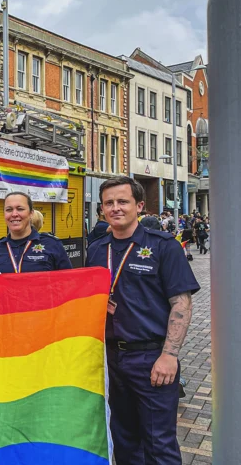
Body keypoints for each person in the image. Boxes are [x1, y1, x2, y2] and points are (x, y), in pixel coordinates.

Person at [86, 176, 199, 464]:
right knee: (123, 441)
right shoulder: (97, 249)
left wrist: (169, 356)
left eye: (122, 201)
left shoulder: (163, 246)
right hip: (111, 360)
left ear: (139, 205)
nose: (115, 208)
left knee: (158, 443)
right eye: (109, 203)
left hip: (151, 357)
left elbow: (181, 303)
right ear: (102, 209)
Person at [0, 192, 72, 282]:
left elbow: (69, 282)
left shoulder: (52, 245)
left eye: (20, 209)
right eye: (9, 210)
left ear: (31, 214)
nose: (14, 214)